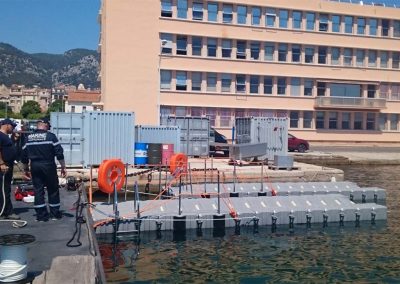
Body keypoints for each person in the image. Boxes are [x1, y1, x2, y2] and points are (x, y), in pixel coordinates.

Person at [21, 117, 67, 222]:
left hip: (35, 166)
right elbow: (59, 153)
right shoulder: (50, 136)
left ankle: (41, 216)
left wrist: (26, 170)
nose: (48, 128)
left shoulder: (28, 138)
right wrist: (63, 167)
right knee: (53, 189)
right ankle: (55, 214)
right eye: (48, 126)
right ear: (45, 124)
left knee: (38, 190)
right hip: (48, 165)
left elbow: (24, 156)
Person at [0, 118, 20, 220]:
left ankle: (3, 211)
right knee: (4, 189)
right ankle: (7, 211)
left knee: (5, 189)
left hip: (8, 165)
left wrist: (14, 140)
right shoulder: (1, 136)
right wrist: (2, 163)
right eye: (12, 126)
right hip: (4, 166)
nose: (13, 128)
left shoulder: (5, 137)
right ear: (6, 125)